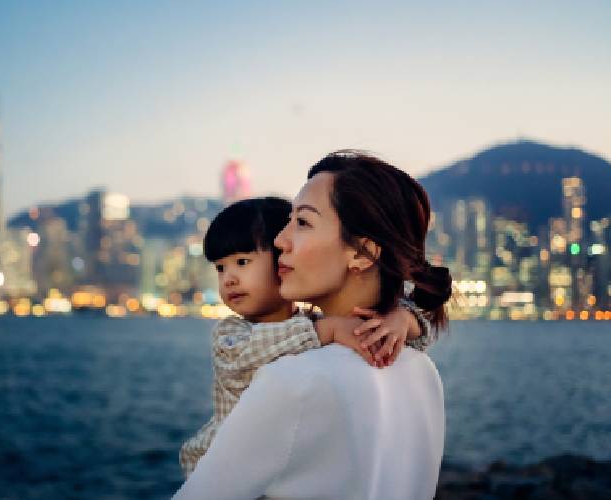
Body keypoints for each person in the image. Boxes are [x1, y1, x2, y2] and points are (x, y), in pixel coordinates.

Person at [174, 151, 452, 499]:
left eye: (302, 223)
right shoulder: (421, 371)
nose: (279, 241)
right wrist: (405, 319)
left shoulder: (292, 380)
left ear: (361, 253)